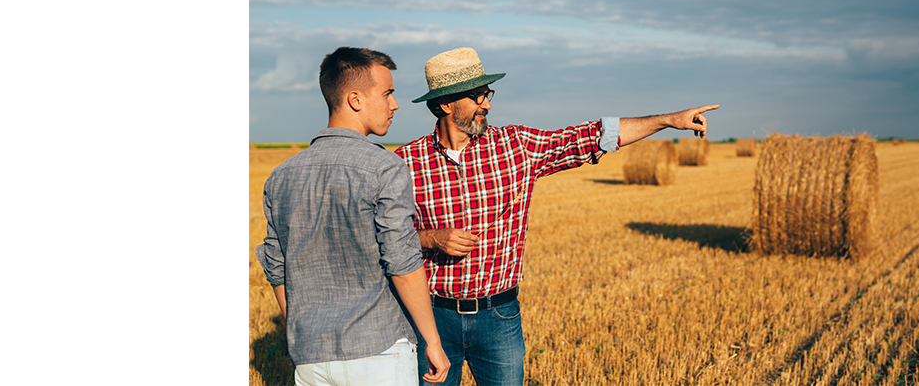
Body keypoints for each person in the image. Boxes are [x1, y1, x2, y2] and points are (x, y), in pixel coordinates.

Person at [394, 47, 718, 386]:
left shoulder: (515, 146)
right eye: (477, 96)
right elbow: (384, 235)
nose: (487, 104)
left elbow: (590, 137)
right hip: (432, 318)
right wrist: (431, 238)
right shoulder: (405, 162)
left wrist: (667, 120)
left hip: (499, 317)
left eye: (487, 94)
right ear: (447, 104)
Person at [255, 47, 451, 386]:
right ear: (355, 99)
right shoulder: (385, 167)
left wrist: (304, 338)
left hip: (311, 359)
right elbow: (403, 262)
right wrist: (432, 341)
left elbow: (277, 267)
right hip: (378, 351)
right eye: (388, 93)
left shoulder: (281, 176)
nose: (395, 104)